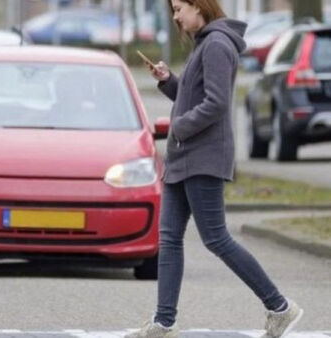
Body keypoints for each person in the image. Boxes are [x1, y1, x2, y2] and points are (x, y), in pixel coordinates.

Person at [125, 1, 304, 338]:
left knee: (216, 238)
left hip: (203, 157)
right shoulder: (206, 43)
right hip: (184, 157)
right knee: (169, 239)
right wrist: (168, 81)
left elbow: (217, 103)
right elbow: (195, 97)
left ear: (200, 6)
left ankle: (279, 306)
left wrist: (178, 125)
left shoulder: (218, 44)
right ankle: (164, 323)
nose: (176, 16)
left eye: (179, 8)